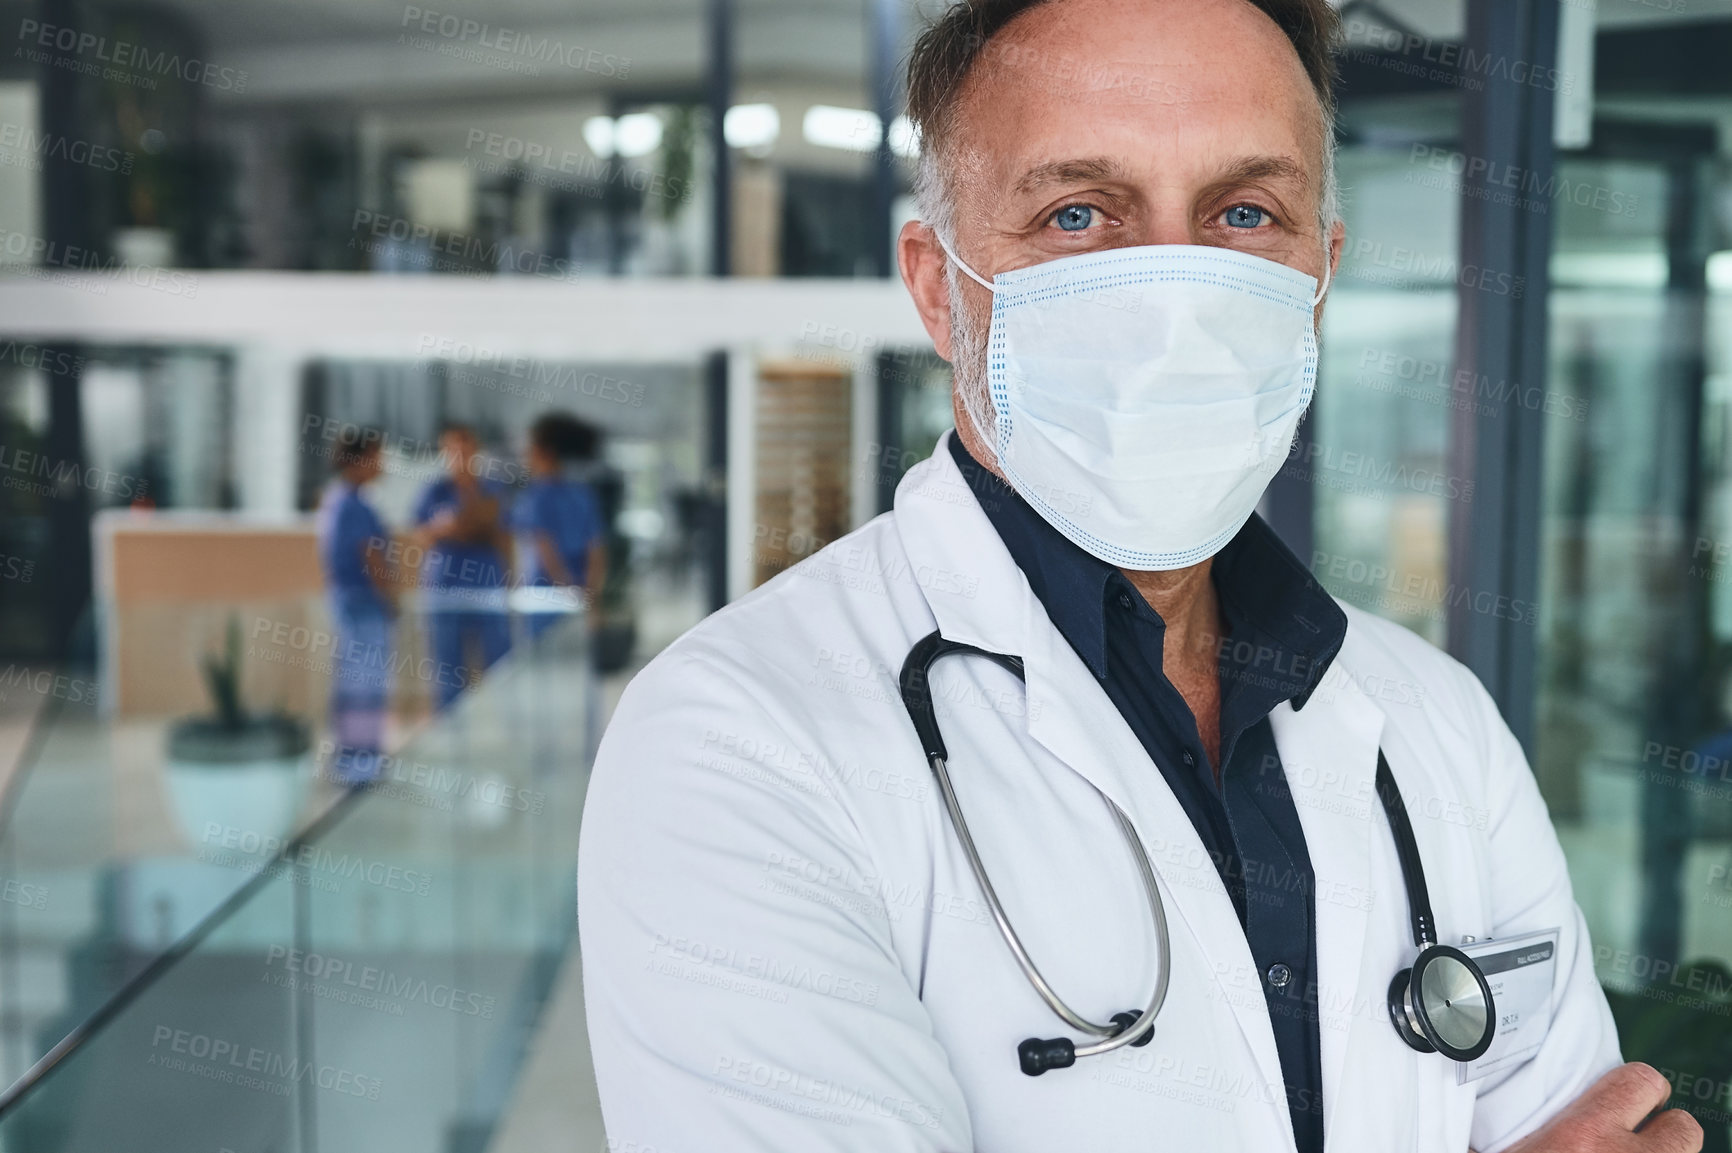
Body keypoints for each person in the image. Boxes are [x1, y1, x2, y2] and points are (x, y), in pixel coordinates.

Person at [577, 2, 1704, 1151]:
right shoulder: (738, 740)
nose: (1174, 301)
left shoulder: (1437, 724)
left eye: (1243, 213)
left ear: (1320, 269)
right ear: (936, 285)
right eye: (1078, 214)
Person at [315, 426, 396, 782]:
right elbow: (372, 557)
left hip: (348, 605)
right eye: (378, 456)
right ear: (360, 459)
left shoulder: (337, 499)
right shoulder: (354, 505)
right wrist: (391, 599)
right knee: (365, 684)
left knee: (353, 682)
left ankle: (353, 756)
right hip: (363, 607)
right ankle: (360, 763)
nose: (383, 464)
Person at [413, 422, 511, 710]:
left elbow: (501, 535)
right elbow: (422, 534)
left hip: (486, 588)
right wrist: (456, 527)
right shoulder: (434, 492)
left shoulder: (492, 490)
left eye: (465, 448)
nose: (459, 455)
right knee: (447, 668)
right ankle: (448, 736)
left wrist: (465, 525)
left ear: (475, 450)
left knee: (500, 662)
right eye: (452, 449)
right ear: (444, 452)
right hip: (445, 590)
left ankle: (507, 730)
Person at [512, 412, 607, 643]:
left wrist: (568, 596)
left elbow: (545, 551)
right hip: (579, 600)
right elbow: (597, 551)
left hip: (545, 600)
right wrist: (588, 599)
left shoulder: (534, 498)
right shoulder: (583, 495)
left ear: (543, 452)